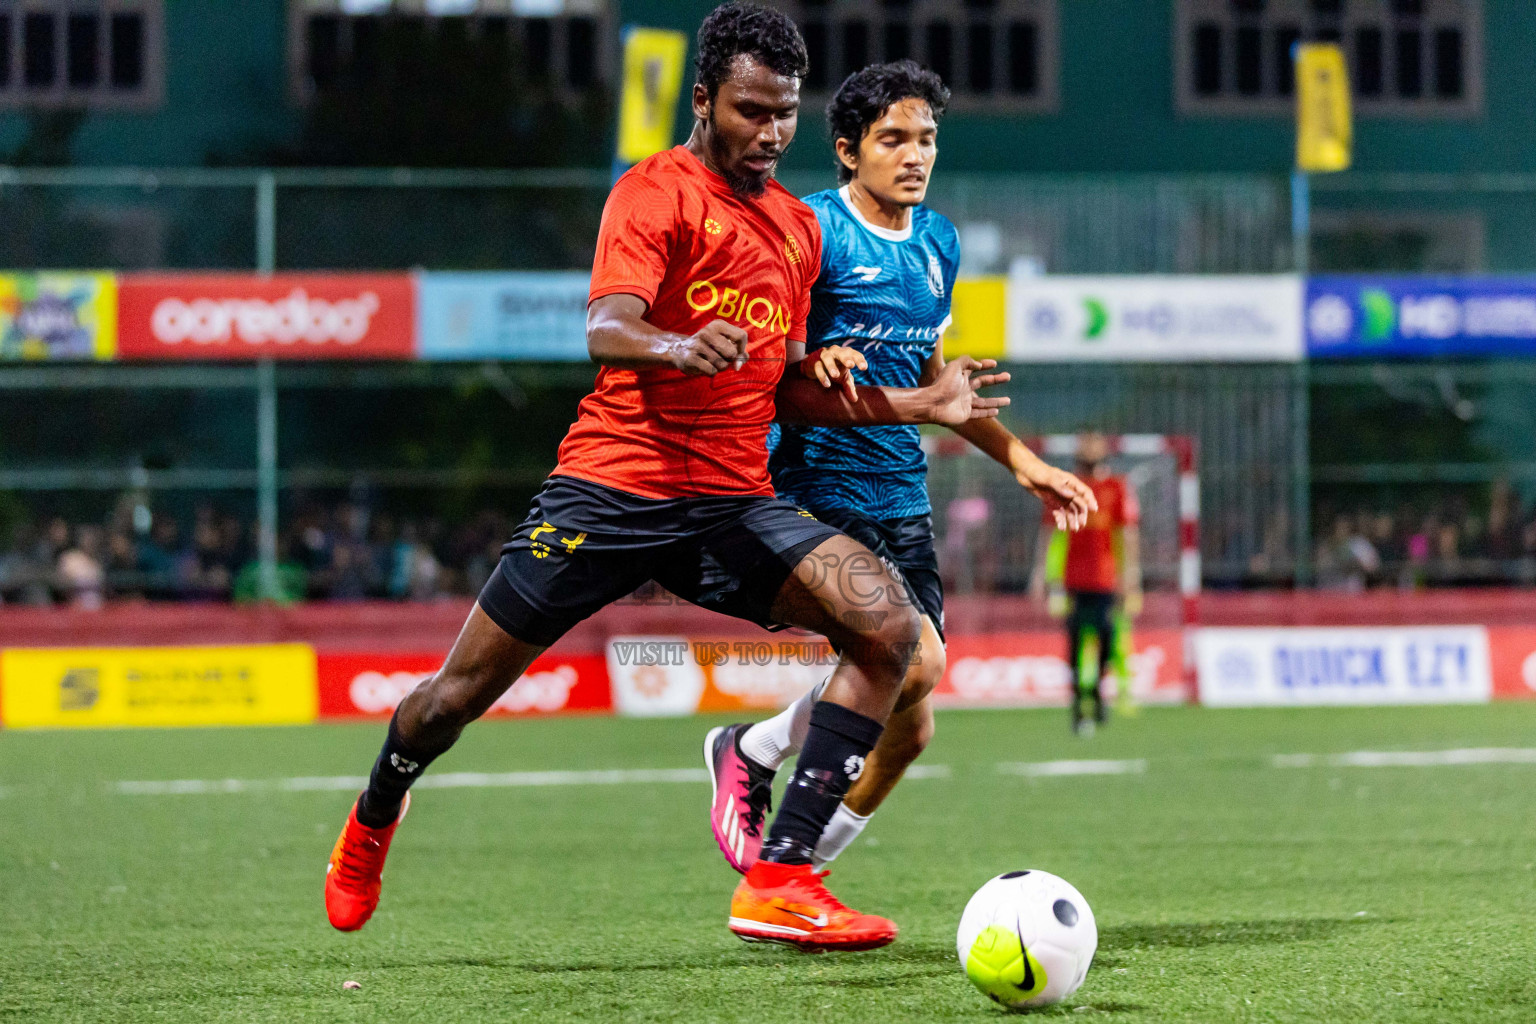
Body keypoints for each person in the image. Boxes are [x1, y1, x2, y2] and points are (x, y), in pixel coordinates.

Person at [323, 2, 1012, 953]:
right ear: (703, 101)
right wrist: (677, 344)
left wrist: (914, 403)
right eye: (749, 110)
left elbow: (796, 395)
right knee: (454, 698)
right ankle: (373, 815)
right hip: (608, 494)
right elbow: (606, 326)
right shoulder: (655, 192)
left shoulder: (796, 231)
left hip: (732, 502)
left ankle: (780, 878)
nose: (768, 133)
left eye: (783, 114)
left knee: (893, 631)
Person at [702, 60, 1097, 876]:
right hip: (813, 487)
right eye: (894, 139)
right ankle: (753, 750)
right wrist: (810, 359)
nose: (915, 154)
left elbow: (935, 385)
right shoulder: (808, 231)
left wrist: (1023, 462)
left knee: (912, 726)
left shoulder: (938, 241)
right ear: (849, 150)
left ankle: (802, 868)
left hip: (900, 495)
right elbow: (772, 372)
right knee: (913, 657)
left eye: (927, 139)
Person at [1031, 433, 1141, 735]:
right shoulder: (1066, 488)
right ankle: (1079, 704)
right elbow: (1049, 532)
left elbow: (1127, 533)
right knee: (1076, 639)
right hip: (1073, 579)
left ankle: (1098, 692)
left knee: (1106, 636)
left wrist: (1130, 576)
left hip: (1106, 578)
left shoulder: (1116, 487)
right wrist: (1040, 573)